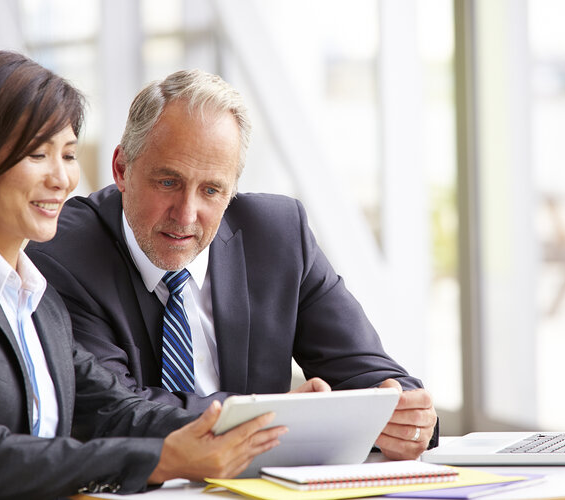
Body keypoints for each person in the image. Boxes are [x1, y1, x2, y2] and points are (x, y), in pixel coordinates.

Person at [0, 51, 286, 499]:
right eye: (38, 154)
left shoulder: (36, 299)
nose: (62, 179)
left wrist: (267, 425)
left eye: (69, 154)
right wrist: (162, 460)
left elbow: (118, 411)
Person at [27, 69, 439, 460]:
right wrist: (269, 418)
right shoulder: (62, 251)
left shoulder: (278, 236)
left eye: (211, 190)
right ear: (122, 169)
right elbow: (112, 412)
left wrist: (407, 417)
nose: (186, 214)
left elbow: (371, 376)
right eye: (168, 182)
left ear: (232, 192)